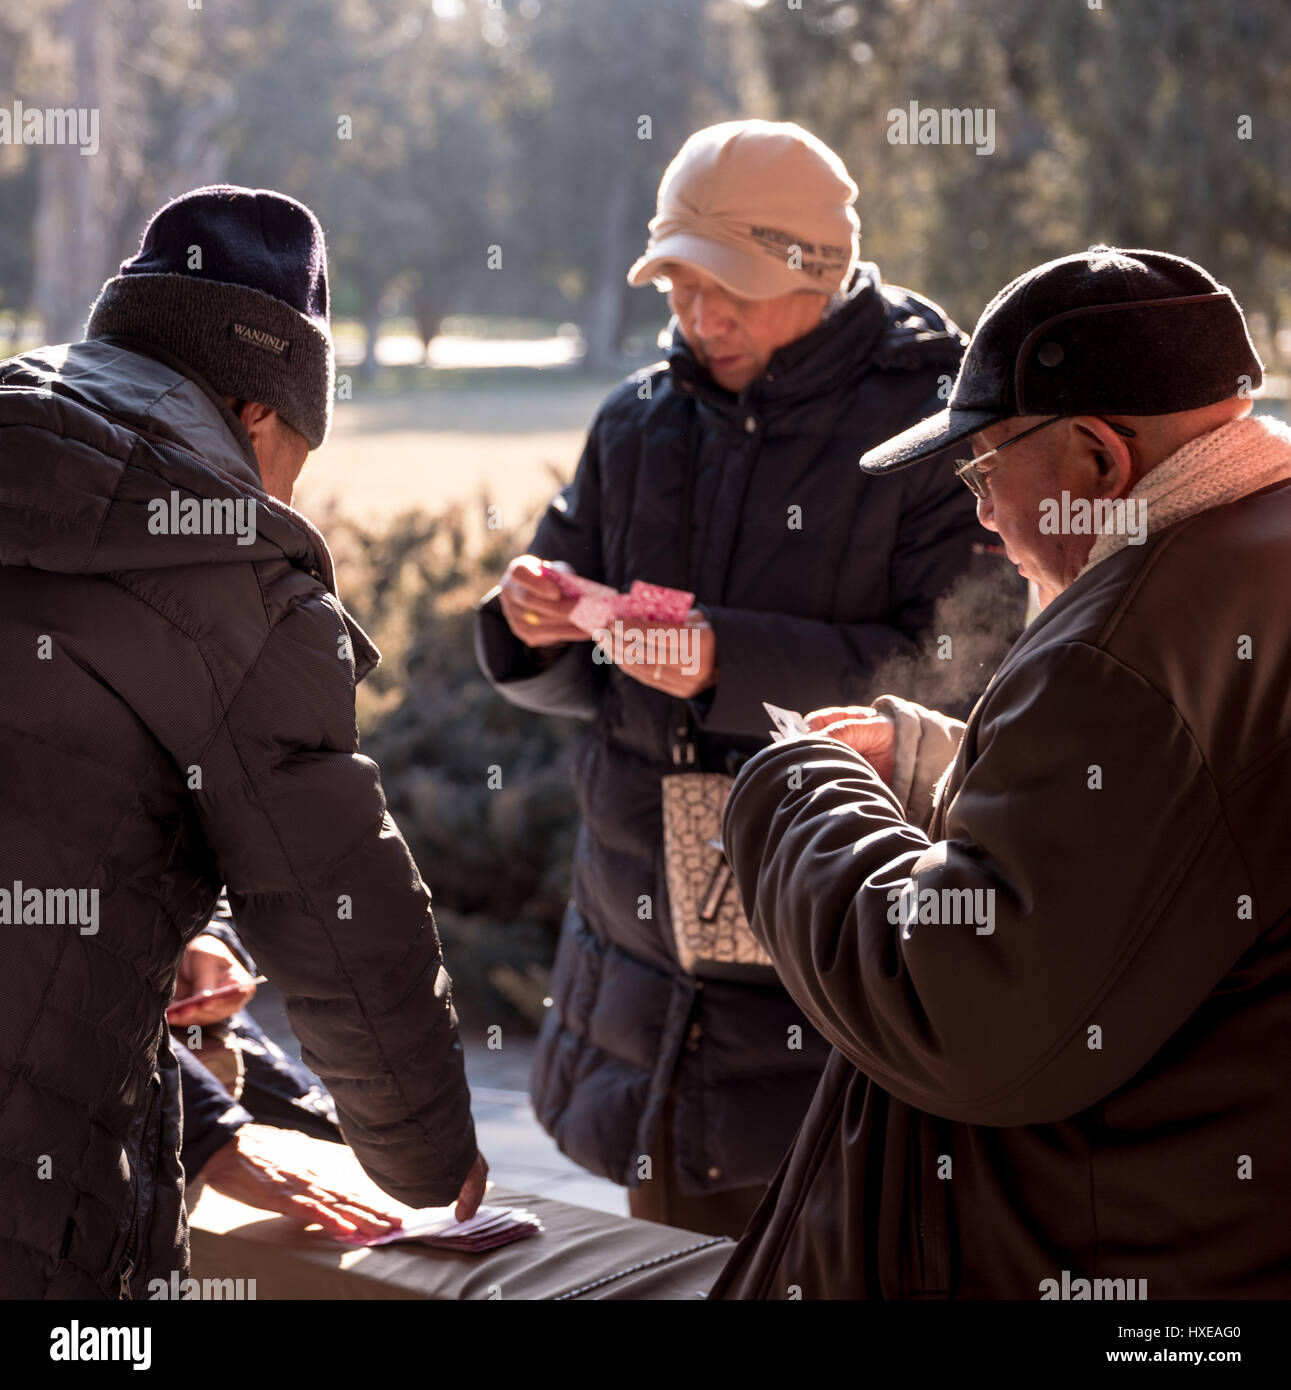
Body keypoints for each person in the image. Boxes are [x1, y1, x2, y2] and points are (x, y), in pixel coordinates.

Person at [710, 245, 1291, 1298]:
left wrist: (796, 790)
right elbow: (1173, 832)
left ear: (1096, 458)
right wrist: (937, 763)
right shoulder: (1251, 552)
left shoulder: (1114, 652)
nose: (980, 513)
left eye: (982, 470)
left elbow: (955, 1009)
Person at [476, 121, 1017, 1237]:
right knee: (663, 1253)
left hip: (827, 973)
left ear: (818, 272)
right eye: (677, 284)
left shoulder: (934, 430)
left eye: (730, 289)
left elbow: (969, 675)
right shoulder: (635, 419)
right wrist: (530, 625)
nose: (699, 318)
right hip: (640, 975)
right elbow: (585, 663)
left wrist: (727, 658)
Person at [0, 185, 485, 1298]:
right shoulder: (240, 576)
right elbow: (335, 908)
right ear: (260, 413)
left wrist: (151, 929)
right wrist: (425, 1150)